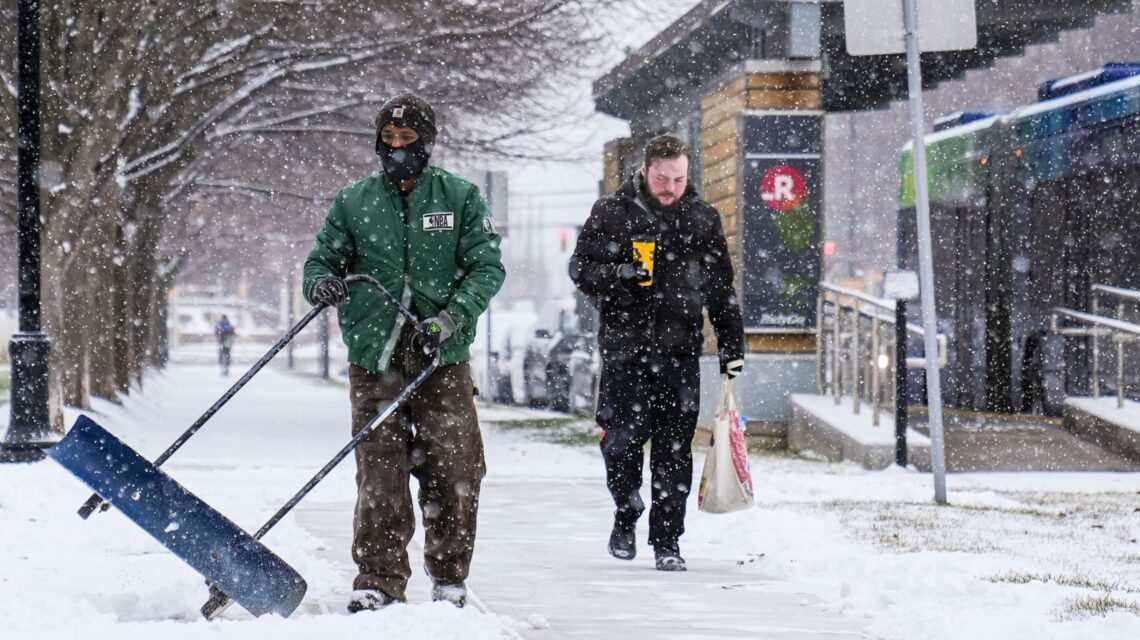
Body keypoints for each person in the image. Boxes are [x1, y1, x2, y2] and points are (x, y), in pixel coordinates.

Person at [302, 94, 504, 611]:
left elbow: (487, 268)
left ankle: (450, 577)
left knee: (456, 468)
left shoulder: (459, 198)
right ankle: (379, 579)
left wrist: (450, 317)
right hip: (376, 356)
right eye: (388, 140)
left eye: (407, 140)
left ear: (426, 144)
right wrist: (323, 283)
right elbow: (321, 260)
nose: (395, 149)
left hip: (442, 358)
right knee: (379, 471)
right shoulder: (354, 201)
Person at [569, 134, 744, 572]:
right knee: (621, 444)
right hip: (624, 352)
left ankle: (668, 541)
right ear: (645, 171)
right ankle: (626, 513)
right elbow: (580, 268)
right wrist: (620, 272)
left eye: (679, 179)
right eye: (662, 178)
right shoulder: (611, 212)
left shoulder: (702, 219)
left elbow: (721, 289)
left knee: (673, 450)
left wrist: (731, 345)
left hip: (679, 353)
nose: (670, 187)